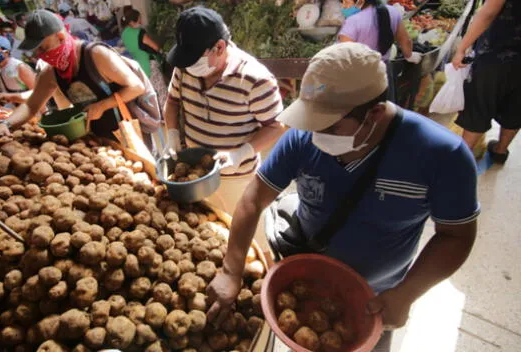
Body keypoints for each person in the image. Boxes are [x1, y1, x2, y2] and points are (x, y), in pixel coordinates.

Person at [205, 43, 479, 351]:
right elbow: (254, 197)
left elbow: (456, 236)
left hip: (375, 299)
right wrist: (231, 270)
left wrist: (406, 294)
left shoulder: (442, 156)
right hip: (302, 284)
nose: (312, 133)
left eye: (327, 125)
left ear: (373, 113)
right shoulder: (301, 137)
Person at [164, 7, 285, 215]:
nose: (189, 66)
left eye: (194, 59)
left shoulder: (255, 79)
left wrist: (241, 154)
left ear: (219, 47)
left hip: (237, 178)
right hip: (195, 173)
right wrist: (172, 133)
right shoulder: (185, 67)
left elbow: (276, 126)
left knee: (245, 238)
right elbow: (173, 101)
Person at [0, 9, 146, 148]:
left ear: (61, 36)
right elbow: (32, 105)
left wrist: (102, 105)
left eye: (43, 48)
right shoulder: (51, 72)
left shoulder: (96, 54)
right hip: (97, 139)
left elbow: (136, 87)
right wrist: (6, 124)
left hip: (128, 130)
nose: (40, 55)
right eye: (36, 51)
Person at [452, 0, 521, 164]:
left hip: (497, 53)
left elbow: (488, 13)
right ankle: (501, 151)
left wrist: (462, 48)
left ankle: (462, 158)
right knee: (516, 105)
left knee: (480, 103)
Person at [338, 0, 421, 100]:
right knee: (385, 109)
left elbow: (346, 56)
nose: (344, 6)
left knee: (364, 113)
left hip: (360, 78)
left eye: (347, 2)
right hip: (384, 71)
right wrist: (409, 56)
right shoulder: (393, 12)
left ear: (360, 1)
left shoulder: (352, 22)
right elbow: (405, 40)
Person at [120, 7, 167, 107]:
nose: (141, 21)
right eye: (139, 19)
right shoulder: (140, 33)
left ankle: (155, 115)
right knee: (160, 91)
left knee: (149, 93)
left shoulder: (124, 34)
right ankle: (165, 114)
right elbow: (156, 47)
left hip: (138, 66)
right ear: (132, 22)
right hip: (150, 64)